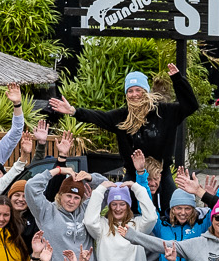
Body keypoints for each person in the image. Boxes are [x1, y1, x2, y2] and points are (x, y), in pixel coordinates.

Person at [47, 64, 198, 202]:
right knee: (124, 208)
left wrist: (178, 80)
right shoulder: (121, 117)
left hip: (161, 174)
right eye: (130, 91)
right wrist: (73, 111)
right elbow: (98, 117)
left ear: (146, 91)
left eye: (138, 90)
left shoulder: (164, 112)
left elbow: (191, 105)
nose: (134, 94)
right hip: (133, 173)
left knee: (173, 208)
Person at [85, 179, 158, 261]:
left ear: (128, 206)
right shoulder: (102, 226)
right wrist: (100, 190)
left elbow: (151, 218)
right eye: (114, 204)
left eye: (122, 204)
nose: (118, 208)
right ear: (109, 206)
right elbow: (89, 221)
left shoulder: (138, 226)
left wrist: (137, 188)